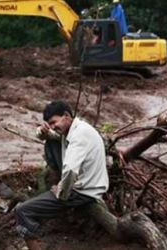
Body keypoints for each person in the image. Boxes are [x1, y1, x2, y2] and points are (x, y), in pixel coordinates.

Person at [15, 100, 109, 250]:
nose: (53, 127)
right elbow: (45, 135)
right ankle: (57, 184)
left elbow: (71, 170)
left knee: (22, 211)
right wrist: (42, 131)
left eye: (54, 122)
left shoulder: (79, 137)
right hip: (90, 184)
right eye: (49, 124)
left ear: (66, 116)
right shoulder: (75, 128)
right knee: (50, 142)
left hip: (83, 191)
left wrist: (61, 192)